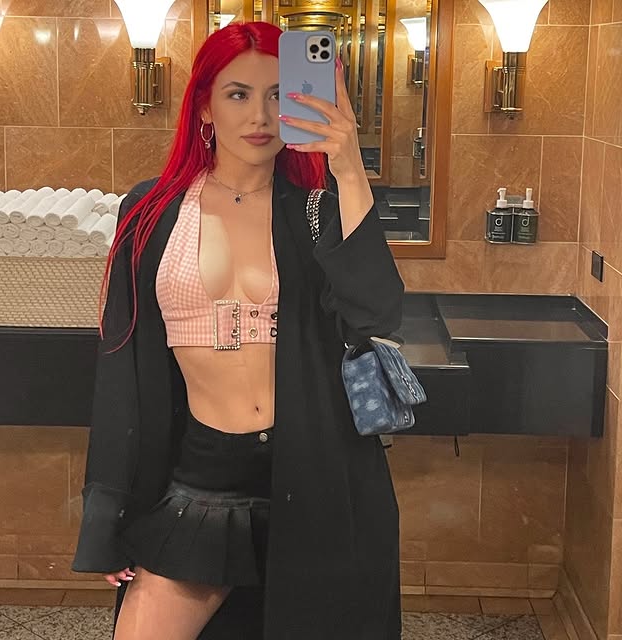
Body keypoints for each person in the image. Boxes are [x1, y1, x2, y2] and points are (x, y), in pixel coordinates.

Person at [71, 20, 405, 640]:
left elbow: (376, 316)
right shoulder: (150, 212)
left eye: (280, 94)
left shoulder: (316, 210)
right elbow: (122, 367)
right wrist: (108, 513)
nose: (261, 115)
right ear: (204, 105)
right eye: (238, 94)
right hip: (206, 473)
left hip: (318, 469)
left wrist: (349, 168)